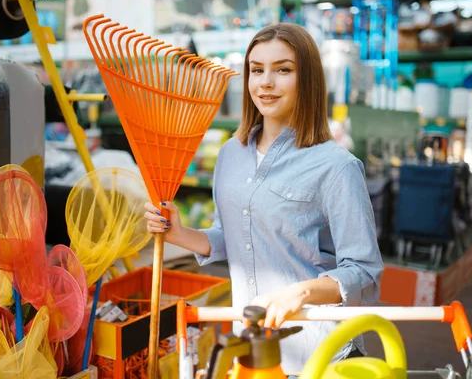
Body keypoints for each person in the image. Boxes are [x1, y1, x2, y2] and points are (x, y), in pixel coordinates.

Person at [144, 22, 384, 375]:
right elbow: (235, 237)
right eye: (256, 70)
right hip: (255, 352)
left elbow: (364, 272)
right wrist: (181, 234)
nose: (265, 82)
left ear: (308, 80)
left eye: (282, 70)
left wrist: (300, 293)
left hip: (318, 354)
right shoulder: (231, 154)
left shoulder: (336, 166)